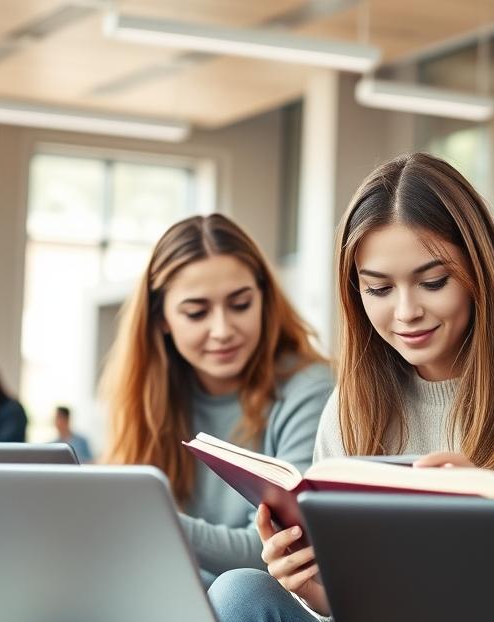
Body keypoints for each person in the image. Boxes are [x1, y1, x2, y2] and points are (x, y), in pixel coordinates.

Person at [208, 152, 494, 622]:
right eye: (378, 289)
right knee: (240, 592)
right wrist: (316, 590)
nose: (405, 313)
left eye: (433, 282)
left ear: (478, 273)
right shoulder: (352, 405)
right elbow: (357, 610)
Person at [100, 213, 331, 581]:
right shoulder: (146, 397)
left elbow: (279, 549)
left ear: (264, 300)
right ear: (162, 319)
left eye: (240, 305)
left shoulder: (309, 388)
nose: (222, 330)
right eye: (197, 312)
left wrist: (143, 513)